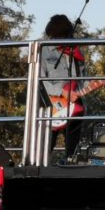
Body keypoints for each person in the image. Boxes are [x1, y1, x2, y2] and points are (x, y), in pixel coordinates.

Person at [40, 14, 87, 162]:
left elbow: (83, 78)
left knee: (72, 145)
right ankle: (41, 166)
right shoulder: (45, 50)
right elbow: (40, 80)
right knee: (47, 144)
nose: (55, 38)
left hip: (74, 104)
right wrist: (61, 92)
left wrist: (99, 82)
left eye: (59, 35)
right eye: (53, 36)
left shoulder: (76, 52)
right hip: (51, 104)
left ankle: (71, 164)